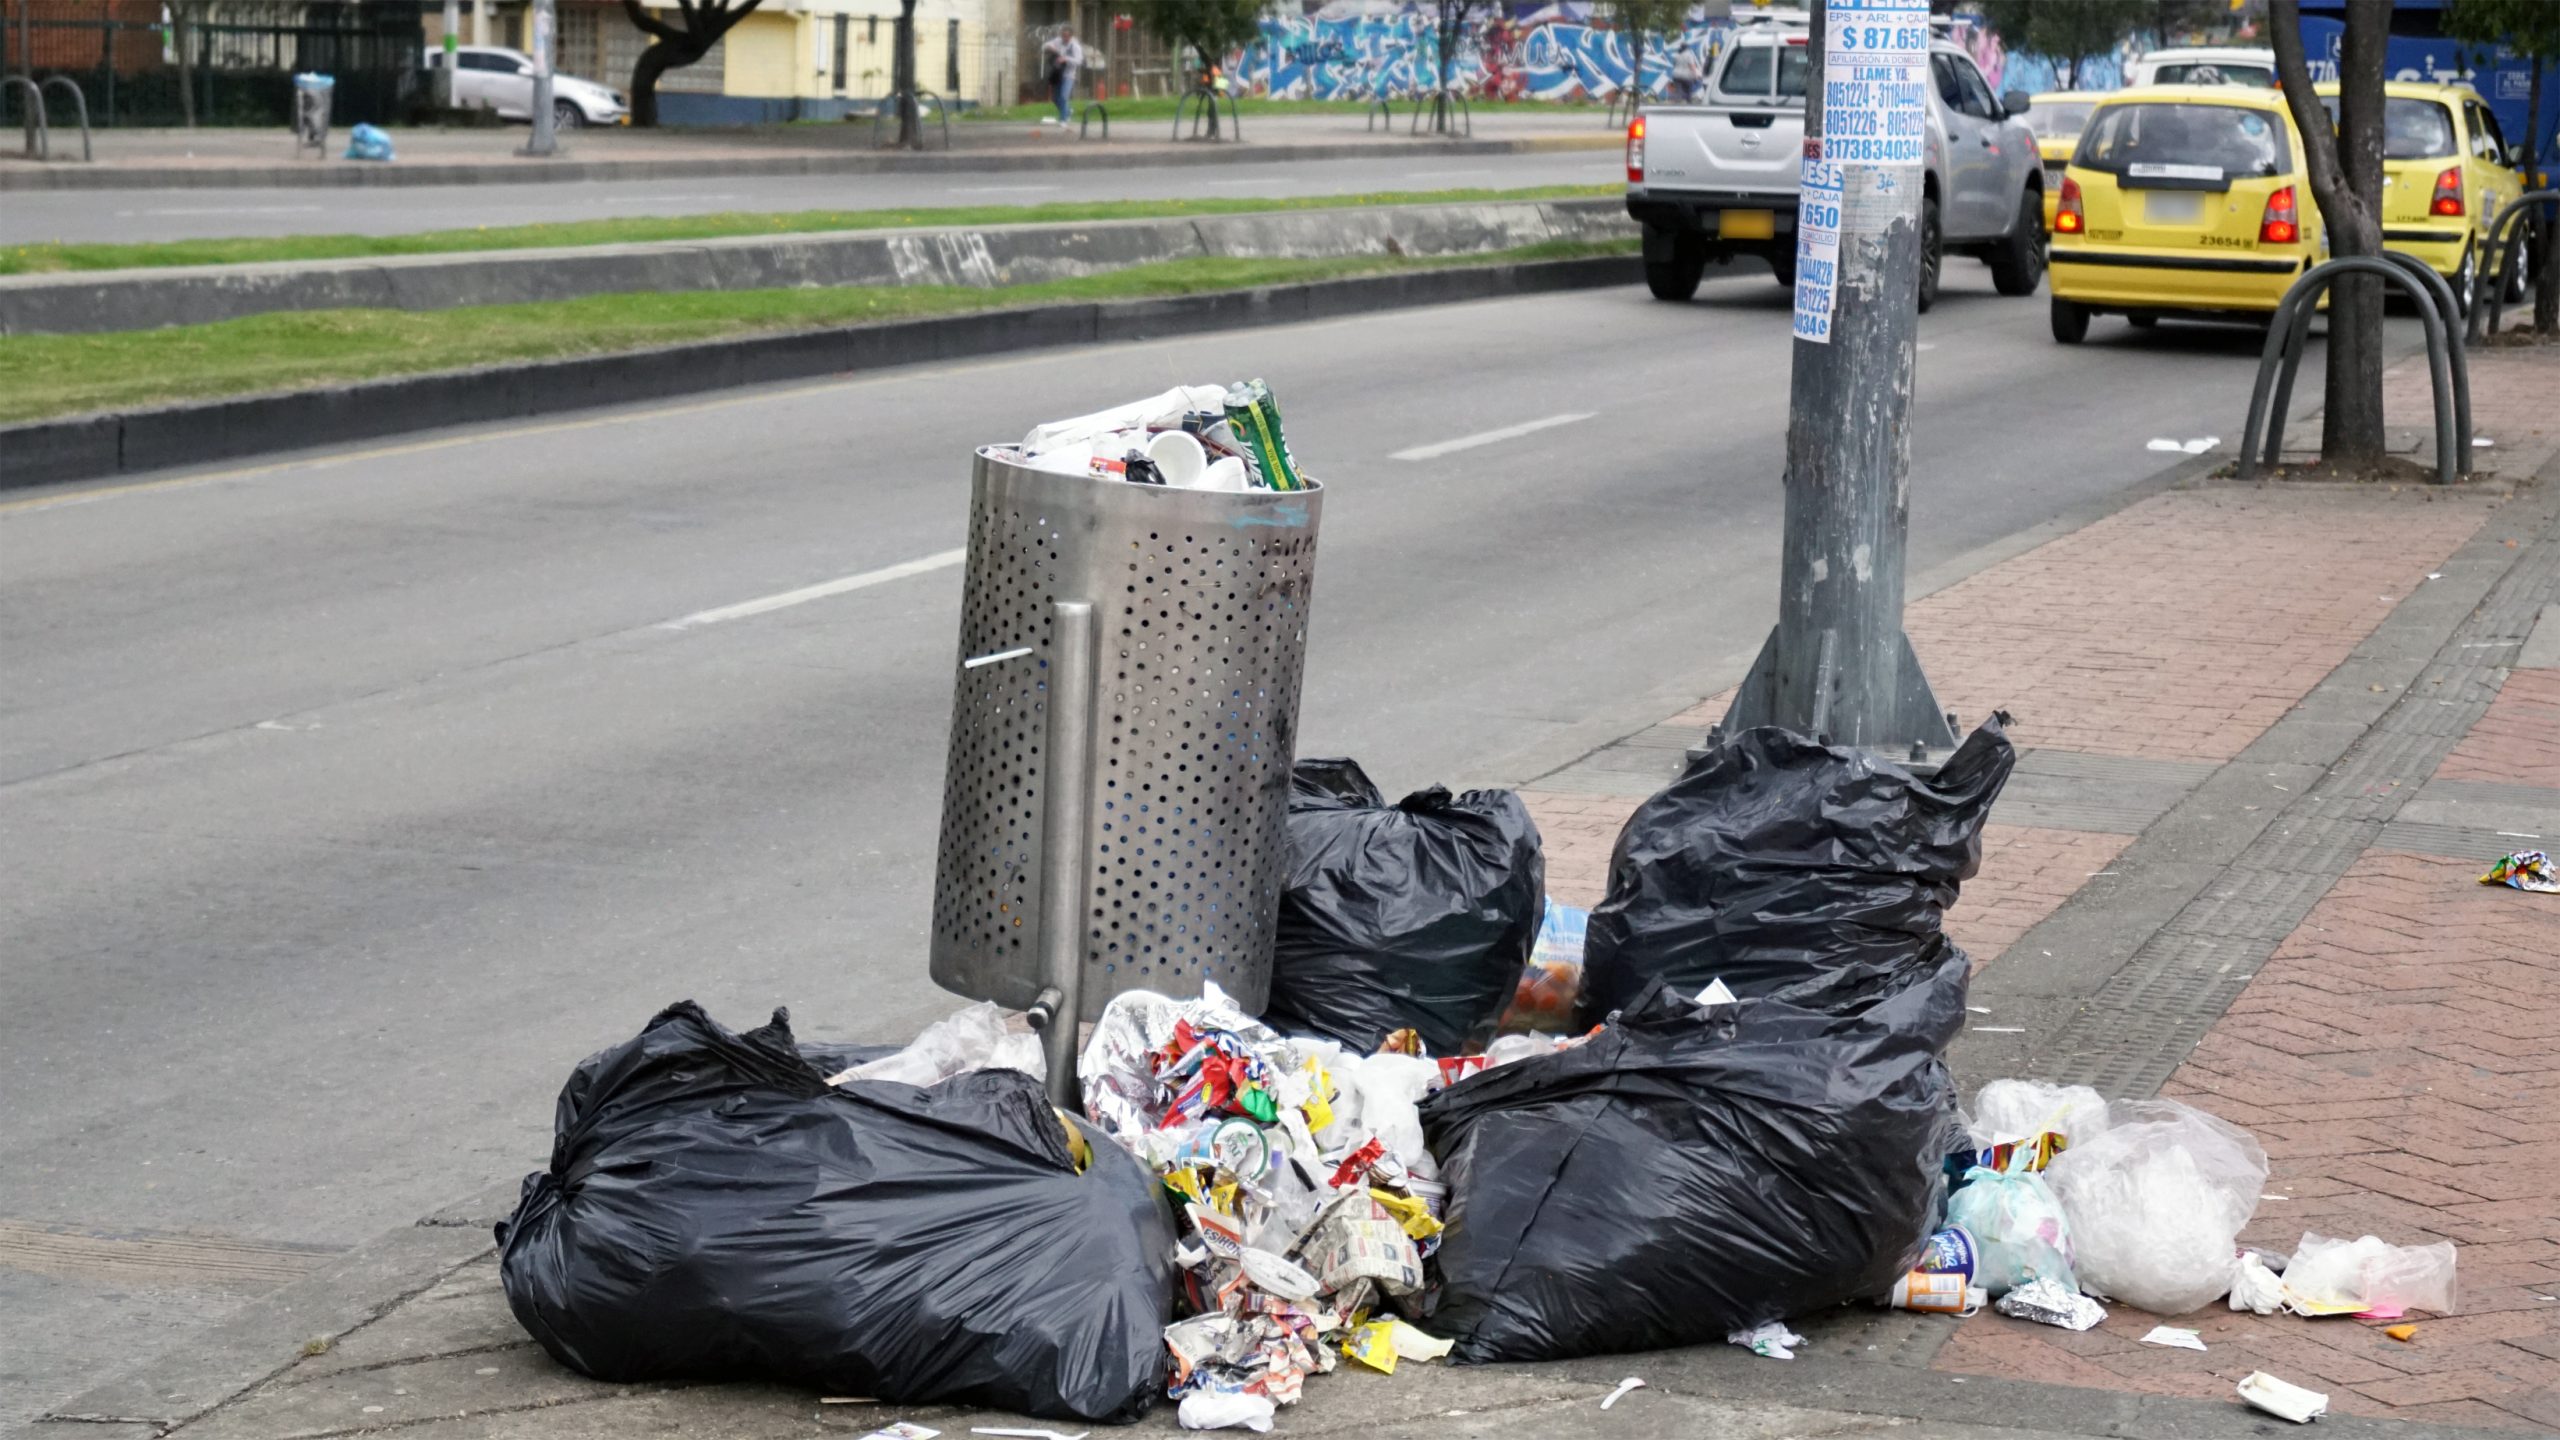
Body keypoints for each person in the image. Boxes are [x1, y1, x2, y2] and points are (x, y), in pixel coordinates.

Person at [1042, 27, 1084, 125]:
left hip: (1068, 74)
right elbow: (1045, 46)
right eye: (1063, 36)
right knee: (1055, 98)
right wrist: (1049, 47)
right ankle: (1068, 111)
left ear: (1071, 36)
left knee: (1063, 96)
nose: (1064, 38)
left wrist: (1066, 59)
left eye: (1066, 36)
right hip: (1057, 73)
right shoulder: (1058, 41)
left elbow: (1079, 61)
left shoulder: (1075, 46)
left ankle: (1063, 119)